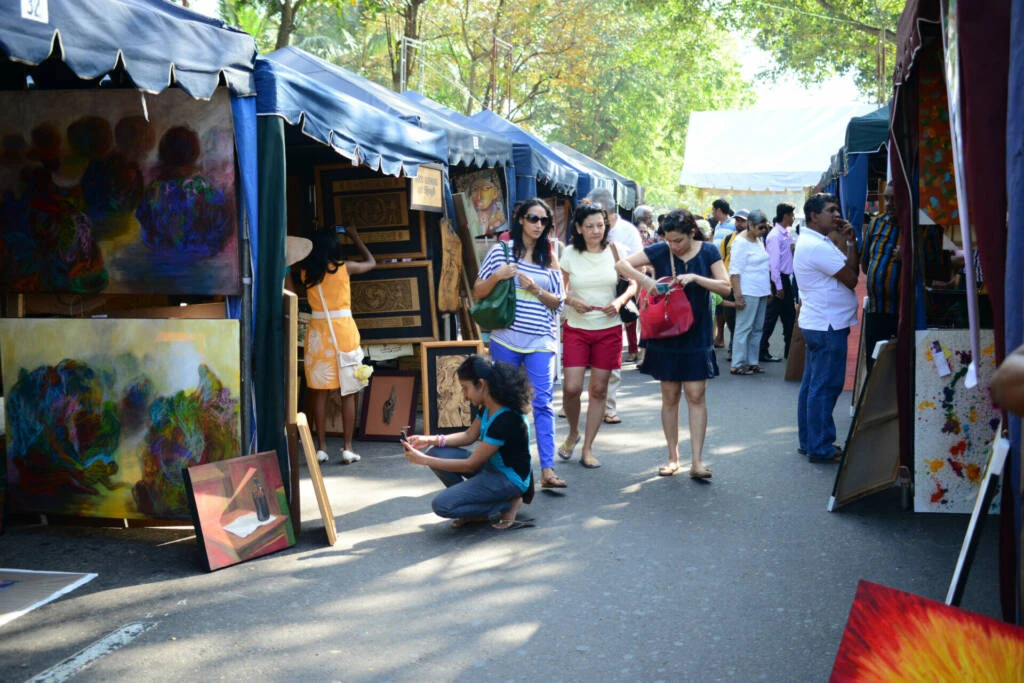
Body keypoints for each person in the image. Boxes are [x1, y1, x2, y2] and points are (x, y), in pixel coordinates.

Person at [616, 209, 731, 479]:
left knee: (696, 395)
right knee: (669, 396)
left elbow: (726, 288)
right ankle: (672, 457)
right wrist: (645, 280)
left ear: (692, 233)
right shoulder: (659, 250)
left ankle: (698, 461)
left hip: (698, 332)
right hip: (665, 332)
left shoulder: (709, 251)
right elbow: (621, 265)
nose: (674, 246)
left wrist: (697, 279)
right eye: (669, 241)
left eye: (678, 240)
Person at [474, 198, 566, 489]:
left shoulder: (550, 257)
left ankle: (548, 469)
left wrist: (535, 288)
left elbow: (559, 304)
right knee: (504, 403)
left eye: (544, 221)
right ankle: (504, 465)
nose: (538, 225)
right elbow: (478, 291)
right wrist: (499, 276)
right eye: (533, 218)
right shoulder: (500, 252)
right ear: (521, 220)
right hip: (506, 338)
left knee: (543, 403)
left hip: (540, 338)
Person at [402, 356, 534, 531]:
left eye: (465, 388)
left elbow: (470, 466)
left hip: (509, 479)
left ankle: (505, 504)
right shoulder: (488, 405)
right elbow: (469, 435)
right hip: (491, 469)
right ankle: (474, 504)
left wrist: (423, 460)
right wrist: (428, 439)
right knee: (436, 451)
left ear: (482, 384)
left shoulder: (506, 419)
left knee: (442, 505)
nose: (464, 396)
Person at [559, 203, 638, 468]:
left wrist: (619, 301)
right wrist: (571, 300)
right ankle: (573, 431)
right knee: (571, 388)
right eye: (589, 226)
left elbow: (634, 282)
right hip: (577, 328)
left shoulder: (615, 251)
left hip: (609, 329)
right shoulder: (569, 253)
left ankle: (588, 448)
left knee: (599, 389)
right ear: (579, 228)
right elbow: (561, 289)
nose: (595, 231)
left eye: (600, 225)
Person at [294, 226, 376, 464]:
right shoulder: (344, 268)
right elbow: (371, 263)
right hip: (343, 333)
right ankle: (348, 447)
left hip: (318, 335)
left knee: (318, 393)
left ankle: (321, 448)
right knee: (347, 392)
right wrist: (355, 237)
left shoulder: (305, 273)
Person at [792, 193, 859, 463]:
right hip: (827, 324)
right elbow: (852, 279)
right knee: (824, 386)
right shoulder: (816, 246)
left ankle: (810, 441)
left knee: (813, 385)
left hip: (821, 321)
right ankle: (820, 446)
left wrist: (851, 242)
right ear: (813, 216)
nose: (836, 214)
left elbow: (849, 272)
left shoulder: (817, 241)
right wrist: (851, 244)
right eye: (830, 210)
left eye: (836, 209)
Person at [587, 187, 643, 420]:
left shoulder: (626, 234)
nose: (595, 226)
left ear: (608, 212)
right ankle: (582, 403)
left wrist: (629, 296)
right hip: (586, 305)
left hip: (614, 304)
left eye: (599, 218)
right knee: (584, 362)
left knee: (611, 362)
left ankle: (608, 408)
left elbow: (639, 267)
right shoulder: (582, 233)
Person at [860, 184, 900, 373]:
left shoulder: (920, 227)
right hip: (876, 310)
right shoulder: (877, 223)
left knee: (897, 367)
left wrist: (910, 256)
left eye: (895, 198)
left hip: (904, 312)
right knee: (874, 364)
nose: (890, 203)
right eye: (887, 198)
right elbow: (865, 263)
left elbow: (937, 269)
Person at [728, 209, 772, 375]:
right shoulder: (741, 242)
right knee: (743, 327)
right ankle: (737, 363)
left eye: (765, 228)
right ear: (750, 225)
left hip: (761, 290)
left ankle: (752, 361)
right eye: (760, 228)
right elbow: (735, 271)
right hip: (747, 290)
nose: (763, 231)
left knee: (757, 328)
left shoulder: (758, 240)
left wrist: (768, 290)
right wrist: (738, 295)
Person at [760, 202, 797, 362]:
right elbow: (773, 264)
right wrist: (779, 287)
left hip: (784, 280)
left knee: (788, 318)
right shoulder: (775, 235)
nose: (793, 218)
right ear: (786, 216)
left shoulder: (787, 233)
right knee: (771, 318)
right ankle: (761, 350)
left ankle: (790, 352)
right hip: (778, 280)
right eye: (792, 215)